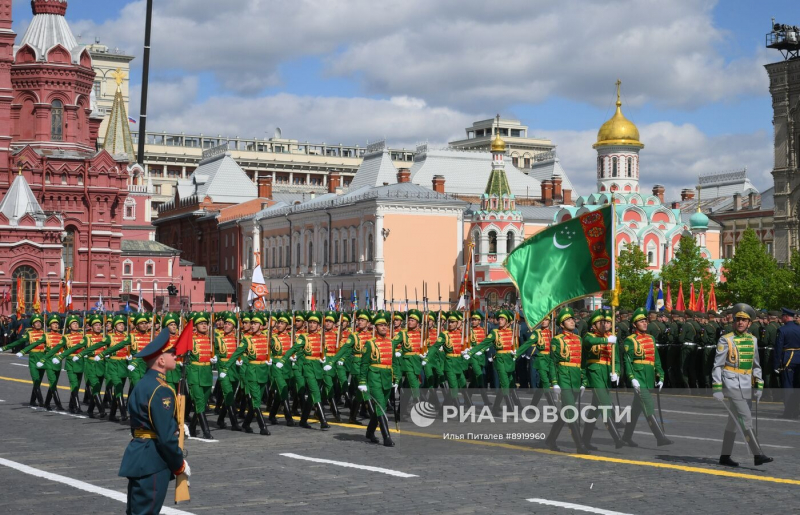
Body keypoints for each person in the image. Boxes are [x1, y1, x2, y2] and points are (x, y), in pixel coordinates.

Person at [119, 328, 190, 515]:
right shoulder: (161, 390)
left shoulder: (143, 384)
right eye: (171, 353)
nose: (175, 356)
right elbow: (165, 437)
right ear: (161, 360)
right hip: (153, 460)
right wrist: (179, 464)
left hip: (139, 455)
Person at [713, 303, 772, 467]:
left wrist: (759, 385)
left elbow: (756, 365)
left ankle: (724, 457)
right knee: (745, 417)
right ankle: (757, 454)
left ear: (749, 323)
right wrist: (717, 387)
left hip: (746, 383)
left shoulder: (753, 340)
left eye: (744, 320)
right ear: (734, 321)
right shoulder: (726, 339)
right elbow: (718, 365)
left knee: (733, 422)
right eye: (738, 319)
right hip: (731, 382)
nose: (740, 322)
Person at [620, 308, 672, 446]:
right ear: (634, 324)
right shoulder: (630, 340)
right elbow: (627, 361)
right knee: (648, 404)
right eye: (641, 321)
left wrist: (661, 376)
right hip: (638, 377)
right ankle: (660, 437)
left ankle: (626, 437)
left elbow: (656, 359)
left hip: (649, 377)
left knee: (636, 409)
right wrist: (632, 378)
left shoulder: (651, 338)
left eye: (645, 321)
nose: (644, 323)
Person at [544, 308, 589, 454]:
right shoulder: (557, 340)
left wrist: (584, 382)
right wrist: (555, 382)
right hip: (563, 378)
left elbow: (582, 362)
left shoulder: (579, 339)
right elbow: (552, 363)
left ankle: (551, 439)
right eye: (568, 320)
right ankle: (580, 445)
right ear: (562, 324)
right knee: (570, 411)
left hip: (575, 378)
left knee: (565, 412)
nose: (572, 321)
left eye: (572, 319)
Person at [581, 309, 623, 449]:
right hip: (595, 373)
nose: (605, 324)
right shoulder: (589, 336)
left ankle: (585, 440)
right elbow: (590, 342)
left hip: (606, 374)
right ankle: (617, 438)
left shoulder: (612, 338)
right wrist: (606, 340)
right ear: (594, 325)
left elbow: (616, 360)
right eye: (601, 322)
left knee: (595, 408)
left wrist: (616, 372)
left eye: (607, 322)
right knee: (605, 403)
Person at [358, 311, 397, 447]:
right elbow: (364, 364)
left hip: (387, 377)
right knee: (380, 406)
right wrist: (362, 381)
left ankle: (370, 432)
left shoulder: (391, 343)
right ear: (375, 328)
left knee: (381, 407)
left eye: (385, 325)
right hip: (374, 377)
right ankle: (387, 437)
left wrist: (396, 379)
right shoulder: (370, 344)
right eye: (380, 325)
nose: (383, 327)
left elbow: (394, 362)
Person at [1, 313, 46, 406]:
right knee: (36, 380)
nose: (38, 324)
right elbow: (19, 341)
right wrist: (5, 348)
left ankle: (32, 401)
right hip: (33, 358)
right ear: (32, 324)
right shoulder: (29, 334)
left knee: (38, 381)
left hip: (43, 358)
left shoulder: (45, 334)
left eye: (39, 322)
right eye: (36, 322)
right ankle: (41, 402)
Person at [774, 307, 800, 419]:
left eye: (782, 316)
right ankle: (796, 410)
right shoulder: (799, 328)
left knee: (788, 386)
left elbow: (778, 348)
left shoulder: (782, 330)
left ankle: (789, 412)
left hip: (788, 359)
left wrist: (776, 365)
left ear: (786, 317)